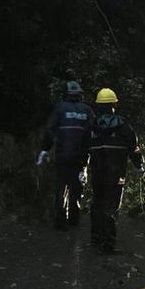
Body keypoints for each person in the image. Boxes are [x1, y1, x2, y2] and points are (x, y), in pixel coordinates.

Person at [86, 88, 144, 254]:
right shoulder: (123, 126)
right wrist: (139, 166)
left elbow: (84, 149)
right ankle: (108, 244)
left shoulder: (92, 127)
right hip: (116, 175)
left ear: (98, 106)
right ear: (114, 104)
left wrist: (82, 169)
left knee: (96, 204)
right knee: (111, 208)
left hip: (97, 173)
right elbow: (134, 149)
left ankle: (96, 239)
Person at [37, 81, 95, 231]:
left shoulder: (59, 108)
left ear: (66, 94)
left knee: (60, 188)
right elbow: (93, 134)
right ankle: (74, 220)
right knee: (77, 188)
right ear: (80, 95)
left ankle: (60, 222)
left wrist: (45, 150)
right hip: (81, 158)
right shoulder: (87, 110)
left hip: (62, 156)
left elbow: (50, 130)